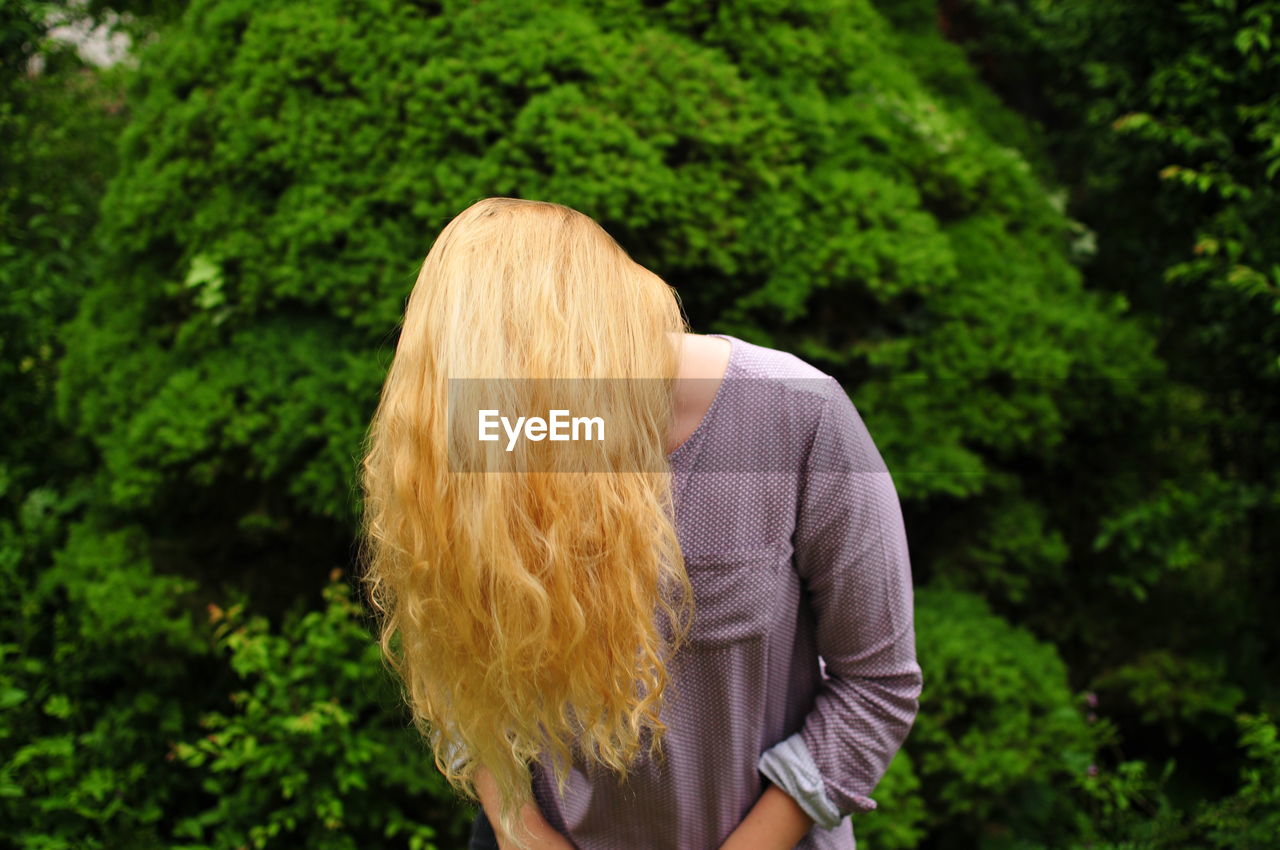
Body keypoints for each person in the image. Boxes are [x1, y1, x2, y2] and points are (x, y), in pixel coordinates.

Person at [358, 197, 923, 850]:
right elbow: (459, 661)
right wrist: (522, 831)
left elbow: (877, 686)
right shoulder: (496, 431)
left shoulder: (797, 416)